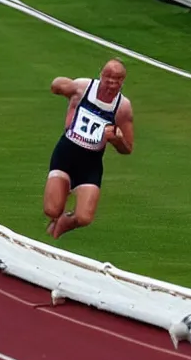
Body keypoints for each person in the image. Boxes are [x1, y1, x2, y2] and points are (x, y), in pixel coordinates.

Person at [43, 58, 134, 239]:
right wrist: (59, 84)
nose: (111, 85)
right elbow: (56, 87)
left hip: (90, 162)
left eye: (116, 81)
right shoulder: (82, 88)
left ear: (122, 82)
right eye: (108, 78)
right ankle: (59, 206)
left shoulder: (123, 107)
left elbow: (128, 148)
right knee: (51, 210)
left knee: (84, 218)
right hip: (67, 153)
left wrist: (117, 140)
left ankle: (64, 222)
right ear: (101, 75)